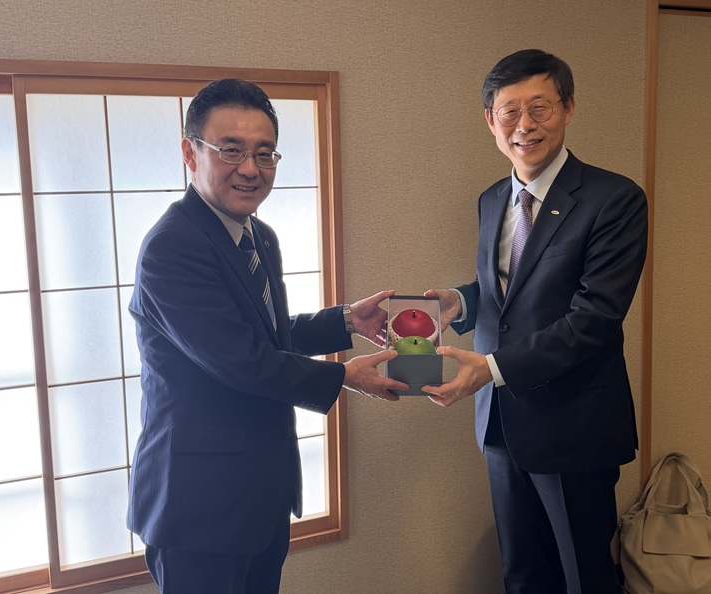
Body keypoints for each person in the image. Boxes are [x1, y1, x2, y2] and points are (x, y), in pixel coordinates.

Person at [127, 78, 408, 594]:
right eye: (231, 150)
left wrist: (346, 320)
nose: (250, 169)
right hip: (198, 505)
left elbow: (267, 336)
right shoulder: (173, 246)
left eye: (264, 153)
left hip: (259, 493)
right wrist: (343, 376)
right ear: (191, 153)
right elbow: (240, 360)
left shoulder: (259, 236)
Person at [423, 49, 648, 594]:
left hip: (574, 423)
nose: (524, 125)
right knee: (522, 572)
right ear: (491, 120)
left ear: (568, 108)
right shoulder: (492, 200)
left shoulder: (614, 199)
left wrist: (492, 368)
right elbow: (518, 289)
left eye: (540, 107)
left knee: (584, 576)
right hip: (502, 422)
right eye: (509, 111)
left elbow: (594, 317)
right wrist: (463, 302)